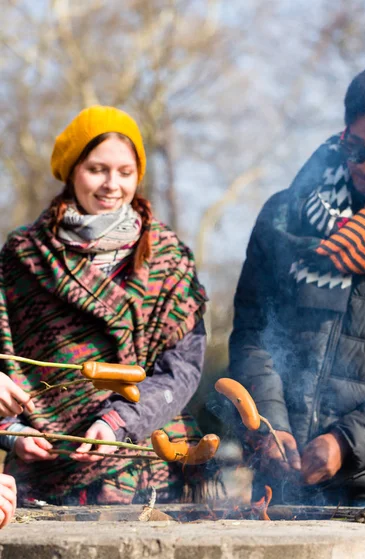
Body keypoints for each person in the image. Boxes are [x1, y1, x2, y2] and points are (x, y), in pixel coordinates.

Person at [0, 105, 213, 505]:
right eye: (97, 169)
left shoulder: (168, 258)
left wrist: (120, 420)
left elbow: (182, 368)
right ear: (71, 171)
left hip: (152, 470)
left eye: (125, 172)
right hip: (48, 476)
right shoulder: (21, 257)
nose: (112, 184)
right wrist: (11, 430)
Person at [229, 63, 365, 505]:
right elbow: (252, 332)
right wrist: (269, 424)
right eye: (356, 149)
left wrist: (346, 442)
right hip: (281, 480)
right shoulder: (282, 215)